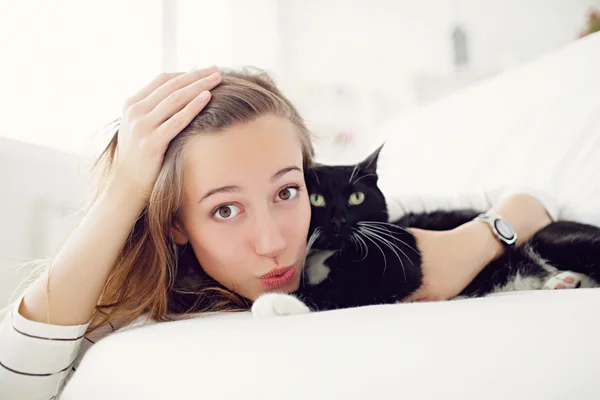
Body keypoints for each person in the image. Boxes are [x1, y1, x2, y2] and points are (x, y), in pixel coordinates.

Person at [0, 66, 557, 399]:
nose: (271, 242)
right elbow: (18, 384)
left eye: (286, 192)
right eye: (224, 210)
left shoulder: (338, 225)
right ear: (175, 223)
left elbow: (530, 202)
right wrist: (124, 189)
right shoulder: (144, 313)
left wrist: (468, 244)